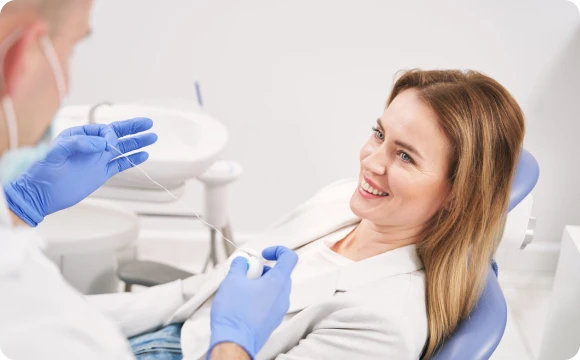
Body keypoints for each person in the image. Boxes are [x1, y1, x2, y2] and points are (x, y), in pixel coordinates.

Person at [87, 68, 525, 360]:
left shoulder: (384, 324)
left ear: (457, 193)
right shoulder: (344, 203)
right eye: (379, 133)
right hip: (172, 332)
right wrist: (79, 313)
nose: (371, 162)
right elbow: (198, 293)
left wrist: (233, 338)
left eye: (405, 156)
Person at [0, 1, 298, 359]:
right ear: (19, 57)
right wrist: (234, 343)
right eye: (72, 49)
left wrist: (20, 203)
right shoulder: (58, 335)